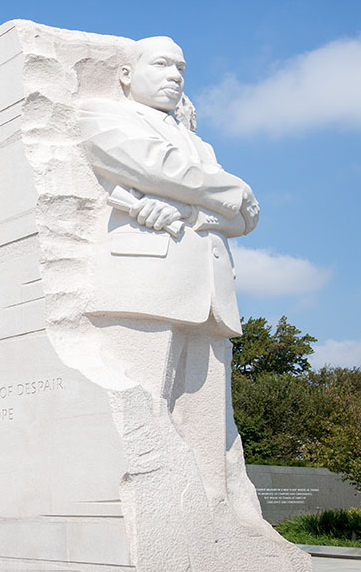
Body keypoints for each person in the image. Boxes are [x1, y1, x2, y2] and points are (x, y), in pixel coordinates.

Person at [76, 36, 267, 527]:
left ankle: (215, 516)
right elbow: (154, 166)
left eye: (181, 66)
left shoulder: (201, 145)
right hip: (146, 285)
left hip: (211, 292)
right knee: (145, 410)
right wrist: (227, 191)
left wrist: (186, 205)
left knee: (210, 423)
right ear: (125, 73)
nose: (175, 75)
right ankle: (158, 520)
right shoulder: (103, 114)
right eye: (161, 63)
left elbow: (248, 215)